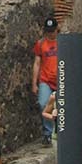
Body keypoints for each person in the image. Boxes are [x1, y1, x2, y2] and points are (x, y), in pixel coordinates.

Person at [31, 16, 59, 145]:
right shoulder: (41, 44)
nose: (51, 33)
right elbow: (37, 63)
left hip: (60, 79)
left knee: (62, 107)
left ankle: (60, 131)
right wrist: (34, 83)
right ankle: (47, 133)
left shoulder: (62, 42)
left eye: (52, 31)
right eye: (48, 31)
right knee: (43, 104)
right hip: (45, 80)